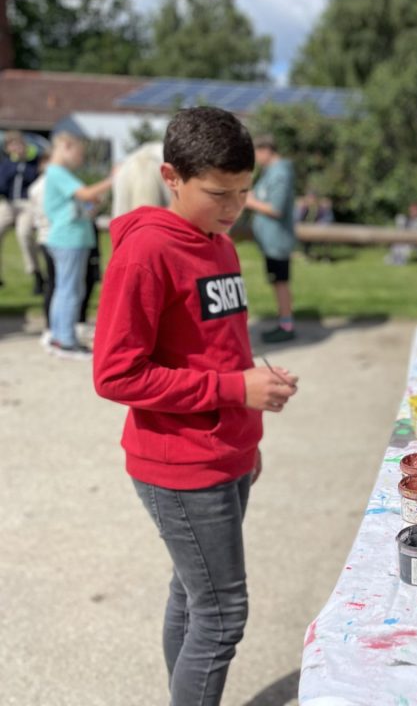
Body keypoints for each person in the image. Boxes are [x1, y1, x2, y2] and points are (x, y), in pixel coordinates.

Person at [93, 107, 300, 706]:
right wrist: (236, 391)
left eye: (243, 192)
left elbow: (224, 350)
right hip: (180, 463)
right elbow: (115, 374)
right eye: (218, 193)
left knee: (192, 595)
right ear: (171, 177)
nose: (234, 208)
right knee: (222, 613)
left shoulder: (220, 245)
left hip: (226, 453)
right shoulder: (146, 253)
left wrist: (249, 429)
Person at [43, 131, 112, 360]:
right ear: (66, 147)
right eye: (79, 153)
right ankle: (66, 341)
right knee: (70, 291)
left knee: (66, 289)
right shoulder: (57, 172)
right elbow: (85, 193)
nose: (80, 159)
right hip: (68, 238)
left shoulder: (57, 173)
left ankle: (58, 335)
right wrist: (113, 179)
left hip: (69, 237)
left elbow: (83, 200)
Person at [246, 135, 297, 343]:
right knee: (277, 282)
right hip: (270, 241)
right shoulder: (271, 172)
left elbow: (276, 209)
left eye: (257, 153)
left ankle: (286, 326)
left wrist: (248, 202)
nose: (256, 158)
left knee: (280, 282)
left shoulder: (280, 173)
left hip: (277, 241)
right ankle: (284, 321)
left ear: (267, 150)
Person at [0, 130, 42, 291]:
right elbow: (3, 184)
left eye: (17, 144)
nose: (15, 148)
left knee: (23, 234)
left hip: (27, 204)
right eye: (11, 146)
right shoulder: (7, 163)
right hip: (9, 203)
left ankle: (36, 273)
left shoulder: (34, 161)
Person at [26, 149, 53, 345]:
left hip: (46, 237)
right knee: (56, 284)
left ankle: (50, 325)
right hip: (53, 237)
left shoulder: (36, 186)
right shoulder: (44, 186)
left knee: (54, 283)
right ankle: (52, 326)